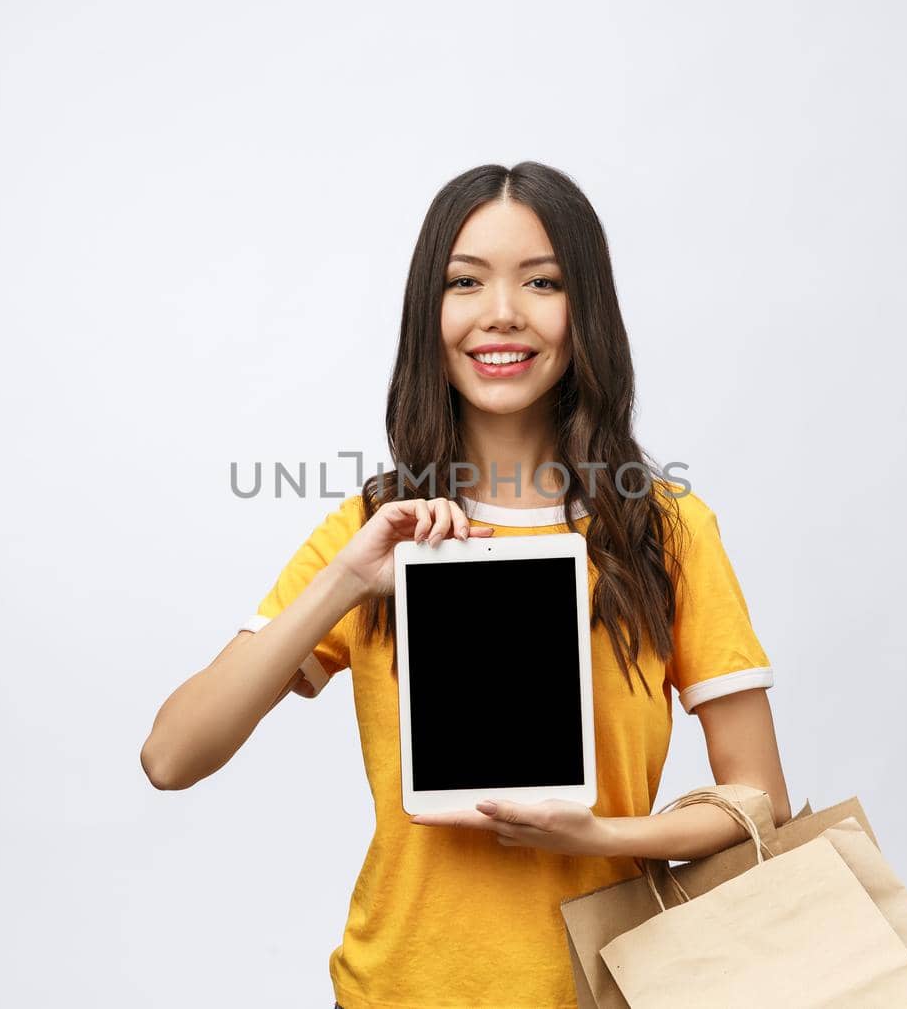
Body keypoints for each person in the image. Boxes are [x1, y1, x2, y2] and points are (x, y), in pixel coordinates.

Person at [140, 161, 792, 1009]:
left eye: (543, 281)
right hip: (395, 990)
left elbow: (759, 801)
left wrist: (597, 833)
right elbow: (171, 754)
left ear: (584, 309)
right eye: (465, 282)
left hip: (597, 991)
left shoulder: (664, 529)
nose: (502, 314)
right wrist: (349, 578)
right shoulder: (373, 529)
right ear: (429, 313)